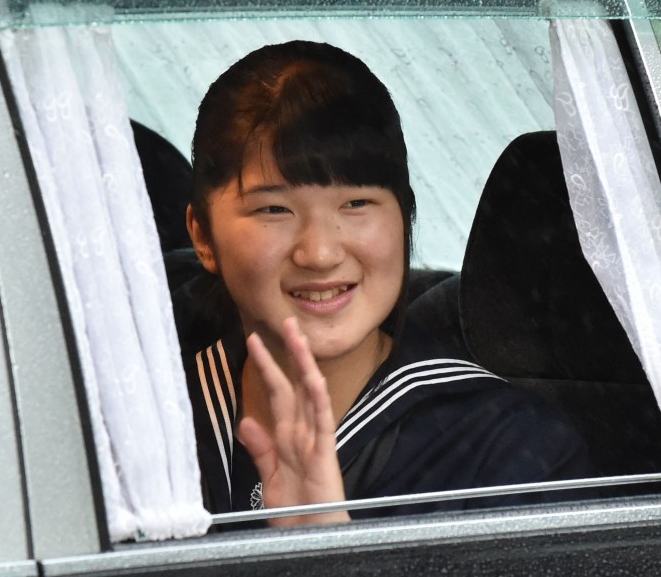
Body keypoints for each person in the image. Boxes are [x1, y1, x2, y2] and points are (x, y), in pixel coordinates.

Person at [182, 40, 595, 527]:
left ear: (405, 219)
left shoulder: (514, 459)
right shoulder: (144, 421)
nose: (320, 252)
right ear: (203, 236)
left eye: (356, 204)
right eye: (274, 208)